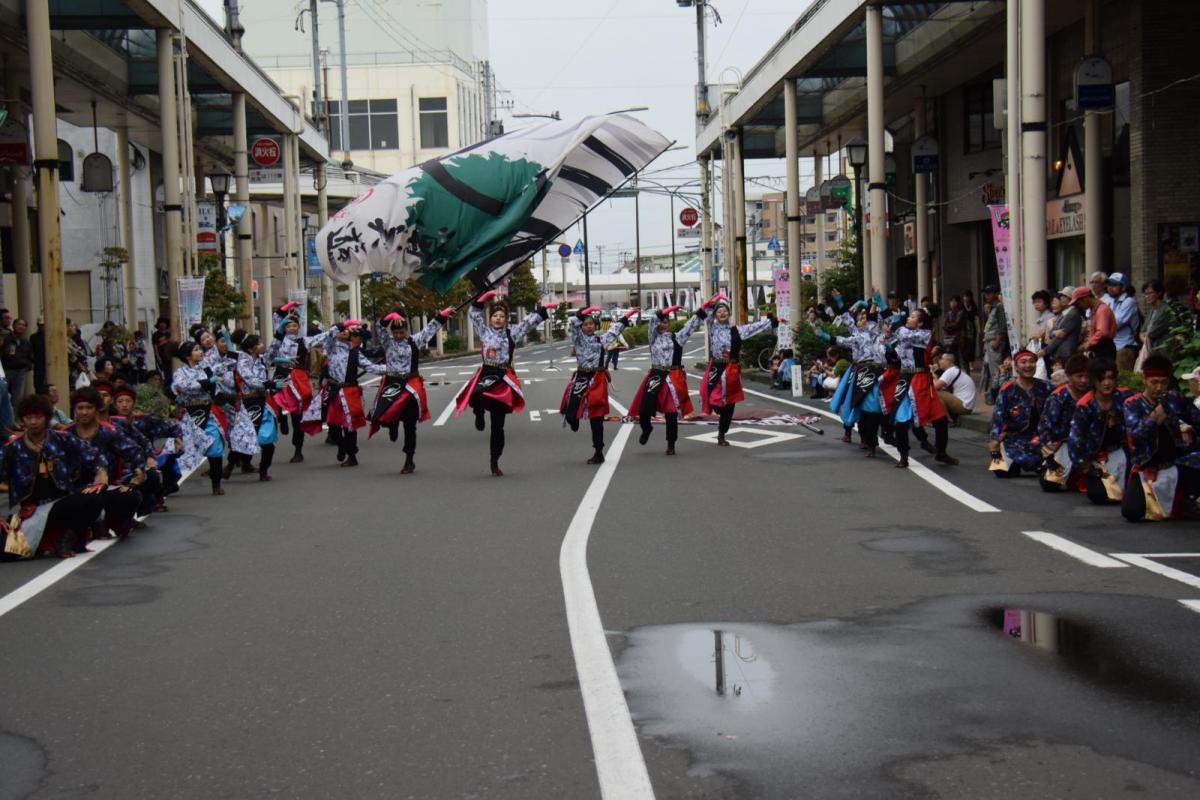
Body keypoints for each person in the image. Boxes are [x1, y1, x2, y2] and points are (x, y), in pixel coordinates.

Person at [455, 291, 557, 475]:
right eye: (495, 315)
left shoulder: (512, 333)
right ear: (490, 318)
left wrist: (542, 309)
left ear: (506, 319)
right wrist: (481, 299)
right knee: (475, 396)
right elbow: (474, 315)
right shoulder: (484, 332)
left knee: (498, 424)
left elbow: (527, 323)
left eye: (502, 316)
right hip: (486, 373)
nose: (498, 318)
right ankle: (479, 413)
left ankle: (494, 460)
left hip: (503, 378)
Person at [1, 394, 106, 558]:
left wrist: (101, 473)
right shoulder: (13, 447)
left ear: (47, 418)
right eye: (29, 418)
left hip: (62, 504)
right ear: (22, 420)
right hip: (31, 512)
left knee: (94, 497)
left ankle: (67, 540)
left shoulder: (63, 438)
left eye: (38, 417)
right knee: (7, 554)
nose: (33, 422)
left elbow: (94, 455)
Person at [367, 307, 453, 474]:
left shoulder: (414, 341)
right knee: (383, 415)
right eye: (396, 332)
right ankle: (391, 425)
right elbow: (379, 327)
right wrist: (388, 317)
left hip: (410, 387)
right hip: (392, 385)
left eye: (401, 332)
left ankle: (409, 459)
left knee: (409, 425)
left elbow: (430, 329)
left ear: (406, 330)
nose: (399, 335)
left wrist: (441, 316)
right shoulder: (388, 342)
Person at [1121, 354, 1200, 521]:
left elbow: (1196, 419)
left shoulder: (1174, 398)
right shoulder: (1132, 403)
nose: (1159, 387)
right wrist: (1156, 414)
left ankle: (1188, 499)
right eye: (1154, 382)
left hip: (1175, 462)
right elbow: (1137, 433)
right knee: (1131, 511)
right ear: (1145, 380)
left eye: (1163, 382)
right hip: (1147, 465)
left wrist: (1190, 430)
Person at [59, 387, 144, 539]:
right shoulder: (65, 434)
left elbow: (134, 452)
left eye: (89, 408)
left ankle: (113, 522)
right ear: (74, 409)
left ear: (97, 408)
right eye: (80, 408)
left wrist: (135, 479)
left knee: (131, 496)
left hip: (105, 487)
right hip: (73, 490)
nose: (84, 412)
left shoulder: (109, 431)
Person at [561, 306, 639, 464]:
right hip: (581, 377)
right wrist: (584, 312)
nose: (589, 326)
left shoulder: (601, 340)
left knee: (596, 417)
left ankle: (598, 452)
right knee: (570, 413)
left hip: (597, 379)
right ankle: (573, 421)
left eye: (591, 323)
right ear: (581, 327)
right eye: (585, 324)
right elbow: (574, 323)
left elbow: (615, 330)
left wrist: (628, 315)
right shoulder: (578, 338)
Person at [701, 292, 778, 446]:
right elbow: (706, 313)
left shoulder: (737, 331)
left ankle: (722, 434)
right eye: (719, 311)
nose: (722, 313)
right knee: (714, 400)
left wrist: (772, 321)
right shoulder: (712, 328)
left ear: (729, 314)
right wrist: (713, 301)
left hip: (731, 369)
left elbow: (754, 327)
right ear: (715, 315)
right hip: (716, 368)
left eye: (725, 311)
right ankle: (719, 412)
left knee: (729, 404)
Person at [881, 309, 957, 468]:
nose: (909, 318)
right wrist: (888, 346)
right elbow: (891, 345)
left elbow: (902, 333)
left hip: (920, 380)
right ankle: (903, 456)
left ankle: (941, 452)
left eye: (913, 317)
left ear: (920, 323)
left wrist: (895, 320)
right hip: (905, 379)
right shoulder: (903, 333)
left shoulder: (924, 334)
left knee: (940, 419)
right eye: (909, 316)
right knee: (901, 420)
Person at [631, 305, 704, 455]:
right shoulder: (653, 337)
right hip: (656, 375)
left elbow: (690, 326)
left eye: (665, 322)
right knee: (644, 409)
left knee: (671, 413)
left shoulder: (677, 337)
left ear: (669, 324)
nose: (662, 325)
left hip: (672, 377)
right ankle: (646, 428)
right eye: (660, 322)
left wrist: (704, 309)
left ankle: (671, 444)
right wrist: (666, 311)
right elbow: (653, 321)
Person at [1068, 358, 1133, 505]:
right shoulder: (1084, 405)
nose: (1107, 383)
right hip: (1093, 457)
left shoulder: (1125, 397)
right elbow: (1075, 440)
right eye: (1101, 379)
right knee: (1098, 495)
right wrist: (1085, 467)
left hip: (1120, 451)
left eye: (1110, 378)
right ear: (1093, 381)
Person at [823, 304, 887, 452]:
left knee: (876, 405)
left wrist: (875, 304)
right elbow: (843, 332)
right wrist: (839, 302)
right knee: (852, 400)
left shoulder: (878, 335)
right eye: (860, 319)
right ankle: (853, 433)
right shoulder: (856, 335)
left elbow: (878, 320)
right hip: (858, 372)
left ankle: (881, 433)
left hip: (877, 372)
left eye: (865, 319)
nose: (862, 321)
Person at [171, 341, 227, 495]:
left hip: (207, 414)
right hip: (189, 417)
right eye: (196, 350)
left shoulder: (206, 368)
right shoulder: (180, 372)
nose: (200, 351)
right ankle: (167, 485)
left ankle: (216, 484)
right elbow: (183, 386)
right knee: (182, 453)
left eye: (200, 349)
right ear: (187, 355)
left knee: (216, 448)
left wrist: (223, 402)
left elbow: (222, 372)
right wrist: (208, 381)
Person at [268, 303, 320, 462]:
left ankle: (298, 449)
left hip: (298, 379)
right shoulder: (279, 339)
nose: (291, 328)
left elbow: (322, 337)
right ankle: (282, 419)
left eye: (294, 325)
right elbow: (277, 315)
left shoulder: (304, 341)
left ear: (299, 327)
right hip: (281, 375)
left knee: (298, 415)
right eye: (288, 325)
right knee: (274, 401)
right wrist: (289, 306)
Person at [988, 350, 1052, 477]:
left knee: (1046, 467)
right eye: (1023, 362)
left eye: (1032, 362)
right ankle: (1018, 463)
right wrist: (995, 441)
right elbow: (997, 418)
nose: (1028, 365)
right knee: (1001, 471)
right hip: (1013, 438)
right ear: (1016, 367)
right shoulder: (1007, 389)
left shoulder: (1047, 387)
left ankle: (1038, 463)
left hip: (1040, 438)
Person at [1036, 355, 1092, 492]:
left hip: (1090, 445)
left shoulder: (1094, 394)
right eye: (1079, 376)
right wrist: (1049, 455)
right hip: (1064, 443)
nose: (1084, 380)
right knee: (1050, 483)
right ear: (1069, 376)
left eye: (1087, 376)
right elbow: (1044, 427)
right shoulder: (1058, 396)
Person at [234, 335, 279, 481]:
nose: (262, 345)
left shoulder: (262, 360)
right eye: (259, 343)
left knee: (268, 441)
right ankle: (233, 464)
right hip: (248, 405)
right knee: (245, 438)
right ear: (250, 349)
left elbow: (274, 349)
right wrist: (270, 384)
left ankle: (263, 470)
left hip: (264, 403)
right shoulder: (242, 362)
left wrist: (280, 331)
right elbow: (251, 381)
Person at [1140, 279, 1188, 355]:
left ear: (1159, 293)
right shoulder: (1152, 310)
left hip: (1164, 351)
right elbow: (1142, 331)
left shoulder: (1165, 309)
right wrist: (1146, 339)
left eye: (1150, 293)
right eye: (1145, 294)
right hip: (1152, 349)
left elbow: (1151, 333)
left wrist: (1146, 337)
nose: (1147, 296)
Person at [1106, 273, 1141, 371]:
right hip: (1113, 346)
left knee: (1123, 376)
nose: (1110, 288)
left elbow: (1116, 323)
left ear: (1123, 287)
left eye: (1114, 285)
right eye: (1109, 285)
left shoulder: (1129, 301)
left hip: (1125, 346)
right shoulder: (1111, 301)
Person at [1072, 286, 1116, 360]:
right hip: (1098, 346)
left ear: (1085, 298)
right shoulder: (1094, 310)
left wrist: (1088, 343)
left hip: (1104, 347)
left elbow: (1102, 332)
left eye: (1078, 303)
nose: (1079, 306)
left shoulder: (1102, 309)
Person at [933, 352, 975, 421]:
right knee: (940, 393)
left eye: (942, 359)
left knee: (936, 393)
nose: (939, 361)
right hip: (966, 406)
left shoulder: (950, 371)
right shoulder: (955, 370)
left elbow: (935, 387)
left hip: (964, 406)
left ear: (948, 361)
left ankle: (947, 420)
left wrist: (932, 374)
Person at [982, 284, 1008, 386]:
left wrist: (998, 340)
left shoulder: (999, 306)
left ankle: (999, 390)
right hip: (990, 340)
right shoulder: (993, 307)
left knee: (996, 369)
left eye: (989, 293)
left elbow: (1002, 325)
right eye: (985, 294)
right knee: (992, 368)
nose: (986, 296)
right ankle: (995, 389)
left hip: (995, 341)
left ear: (996, 294)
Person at [1, 317, 33, 400]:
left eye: (23, 325)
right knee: (3, 395)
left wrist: (27, 367)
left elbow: (30, 357)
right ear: (14, 325)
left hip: (20, 372)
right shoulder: (6, 338)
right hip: (6, 371)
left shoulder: (26, 342)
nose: (21, 326)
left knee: (17, 398)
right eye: (19, 324)